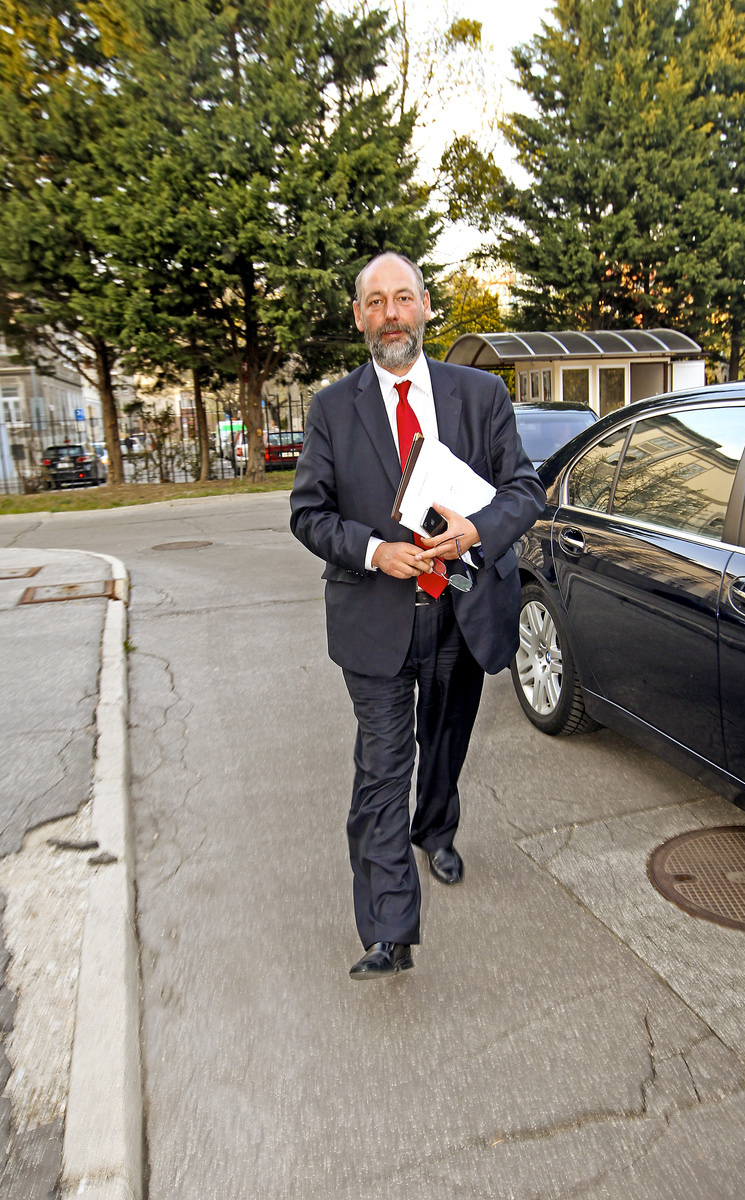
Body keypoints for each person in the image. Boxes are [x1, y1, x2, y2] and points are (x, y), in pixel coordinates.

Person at [290, 252, 545, 979]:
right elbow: (307, 514)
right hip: (374, 616)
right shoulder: (332, 408)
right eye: (377, 302)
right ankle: (388, 929)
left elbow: (524, 490)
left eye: (404, 298)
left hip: (461, 609)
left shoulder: (480, 394)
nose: (391, 314)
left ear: (427, 306)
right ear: (360, 317)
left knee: (445, 740)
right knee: (381, 767)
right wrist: (374, 550)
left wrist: (477, 530)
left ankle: (436, 828)